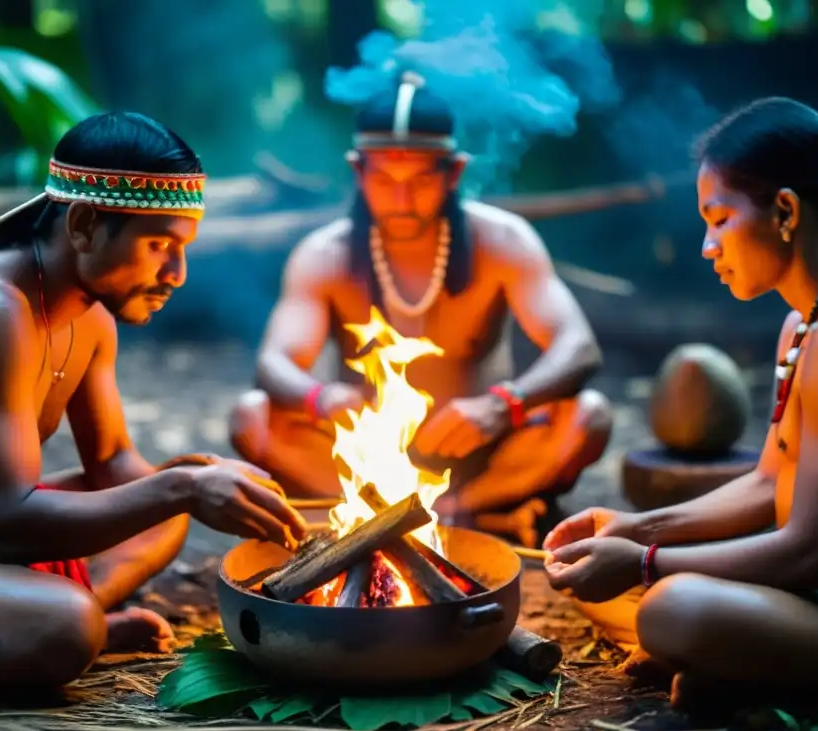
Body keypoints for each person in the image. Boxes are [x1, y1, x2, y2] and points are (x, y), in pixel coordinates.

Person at [0, 112, 306, 696]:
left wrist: (207, 479)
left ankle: (32, 617)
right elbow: (6, 525)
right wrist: (179, 487)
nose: (176, 274)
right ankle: (48, 624)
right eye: (159, 245)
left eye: (181, 250)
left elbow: (114, 464)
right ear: (82, 224)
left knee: (173, 500)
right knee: (65, 628)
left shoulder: (90, 316)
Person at [543, 96, 818, 713]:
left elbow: (816, 553)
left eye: (719, 218)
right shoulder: (804, 326)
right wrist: (635, 530)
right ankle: (737, 670)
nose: (708, 246)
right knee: (588, 579)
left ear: (785, 210)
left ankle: (737, 667)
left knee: (671, 606)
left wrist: (647, 563)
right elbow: (768, 482)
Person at [228, 73, 613, 542]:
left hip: (484, 454)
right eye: (385, 180)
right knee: (252, 417)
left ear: (455, 172)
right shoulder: (323, 255)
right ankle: (458, 519)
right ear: (357, 171)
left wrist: (503, 406)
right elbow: (274, 362)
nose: (402, 199)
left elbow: (578, 348)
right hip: (361, 459)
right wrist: (322, 399)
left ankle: (451, 511)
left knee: (587, 416)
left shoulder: (504, 242)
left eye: (421, 180)